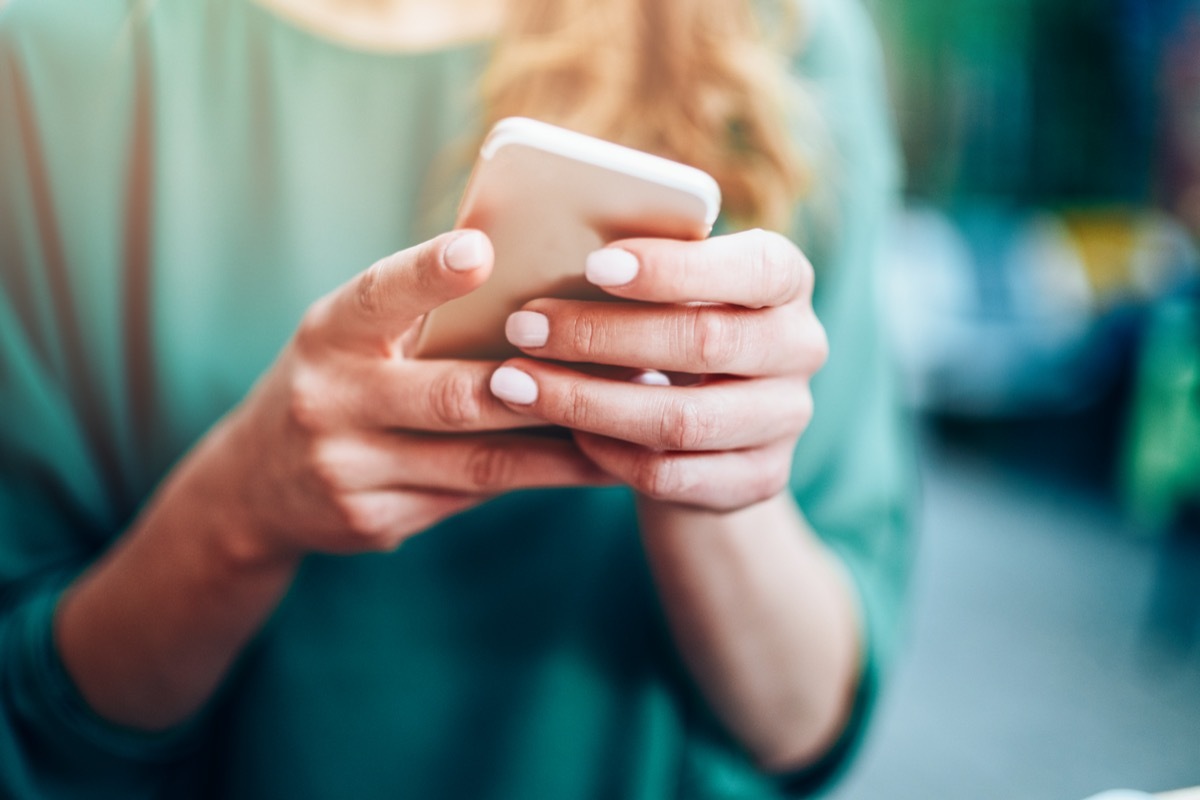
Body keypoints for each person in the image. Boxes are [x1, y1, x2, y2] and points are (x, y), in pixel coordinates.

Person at [0, 0, 913, 796]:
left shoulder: (773, 40)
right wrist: (238, 514)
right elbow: (33, 708)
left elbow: (803, 722)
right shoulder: (49, 58)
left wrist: (691, 453)